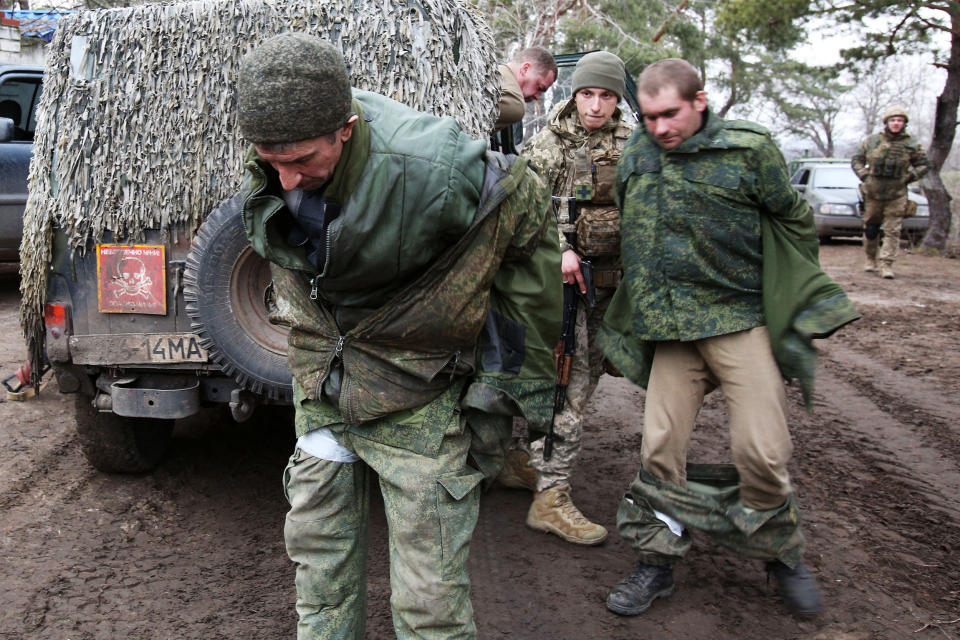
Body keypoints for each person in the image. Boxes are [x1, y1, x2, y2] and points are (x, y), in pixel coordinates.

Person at [236, 33, 561, 639]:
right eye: (270, 161)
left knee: (428, 595)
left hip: (419, 393)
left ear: (347, 129)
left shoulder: (431, 168)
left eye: (304, 161)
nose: (287, 179)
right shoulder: (280, 146)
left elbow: (526, 219)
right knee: (319, 565)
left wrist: (507, 381)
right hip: (325, 386)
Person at [597, 58, 860, 618]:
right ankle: (658, 559)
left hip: (739, 319)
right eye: (648, 117)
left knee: (762, 451)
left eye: (670, 114)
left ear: (700, 101)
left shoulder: (750, 149)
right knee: (660, 449)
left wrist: (790, 290)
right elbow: (630, 217)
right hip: (672, 329)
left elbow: (791, 217)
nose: (660, 128)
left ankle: (779, 552)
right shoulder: (637, 154)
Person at [505, 51, 634, 546]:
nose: (596, 106)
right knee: (568, 388)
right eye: (587, 94)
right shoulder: (549, 145)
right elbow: (524, 211)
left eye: (605, 95)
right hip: (562, 290)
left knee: (589, 378)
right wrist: (560, 249)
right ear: (573, 94)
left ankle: (526, 460)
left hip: (612, 288)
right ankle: (550, 495)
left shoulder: (634, 147)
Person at [851, 106, 930, 279]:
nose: (896, 123)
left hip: (897, 194)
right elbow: (857, 159)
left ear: (904, 124)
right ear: (887, 122)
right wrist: (864, 175)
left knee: (892, 231)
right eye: (893, 120)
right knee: (871, 229)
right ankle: (870, 258)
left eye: (900, 121)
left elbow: (924, 164)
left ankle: (886, 264)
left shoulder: (911, 144)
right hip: (873, 193)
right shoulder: (872, 141)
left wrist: (909, 177)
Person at [493, 46, 557, 131]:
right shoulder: (515, 104)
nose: (537, 97)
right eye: (539, 87)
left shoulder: (492, 70)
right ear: (525, 69)